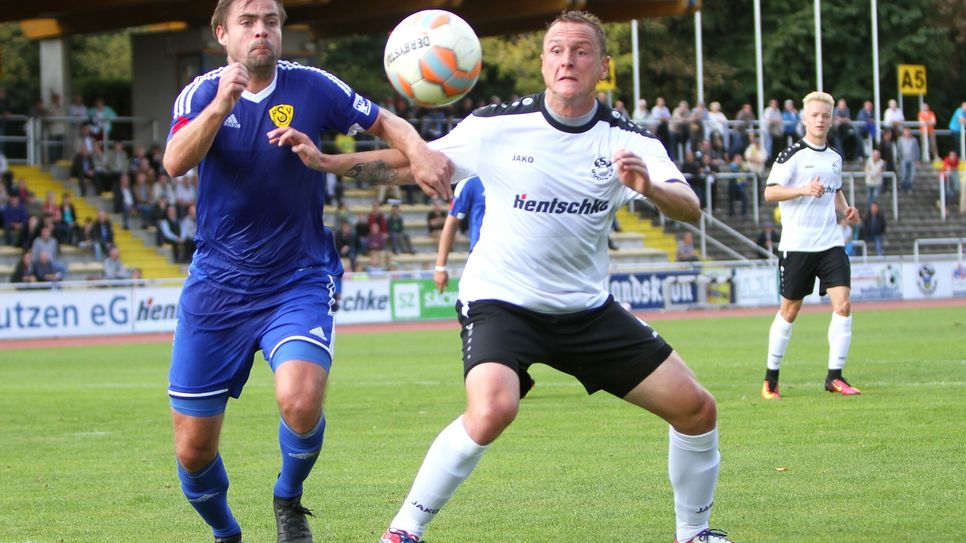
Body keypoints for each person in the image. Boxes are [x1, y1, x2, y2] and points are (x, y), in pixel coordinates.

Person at [268, 10, 732, 543]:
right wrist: (325, 162)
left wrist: (649, 186)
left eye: (581, 51)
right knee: (492, 409)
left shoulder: (628, 142)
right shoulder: (496, 126)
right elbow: (411, 163)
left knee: (697, 409)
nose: (567, 60)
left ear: (602, 66)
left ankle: (694, 533)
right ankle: (403, 531)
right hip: (500, 302)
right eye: (557, 50)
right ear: (542, 63)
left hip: (584, 309)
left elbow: (690, 208)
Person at [160, 1, 451, 542]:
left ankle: (288, 499)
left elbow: (385, 122)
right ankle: (227, 534)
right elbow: (175, 160)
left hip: (297, 278)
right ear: (223, 34)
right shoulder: (201, 93)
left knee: (300, 396)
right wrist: (221, 106)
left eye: (270, 20)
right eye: (247, 22)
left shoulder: (314, 86)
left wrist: (420, 152)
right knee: (193, 451)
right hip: (218, 289)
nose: (261, 31)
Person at [761, 91, 862, 401]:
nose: (820, 120)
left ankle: (835, 377)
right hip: (797, 245)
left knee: (843, 304)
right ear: (804, 118)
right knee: (790, 311)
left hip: (830, 242)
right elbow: (770, 194)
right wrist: (803, 189)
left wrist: (847, 209)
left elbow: (836, 189)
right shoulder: (790, 155)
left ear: (831, 120)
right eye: (815, 115)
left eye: (825, 115)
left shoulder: (834, 157)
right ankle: (770, 380)